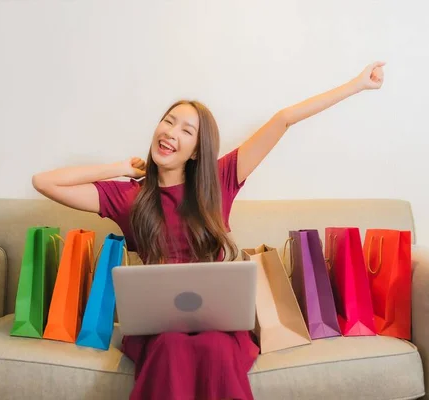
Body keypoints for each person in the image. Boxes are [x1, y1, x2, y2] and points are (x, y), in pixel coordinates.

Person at [32, 61, 385, 400]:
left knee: (215, 347)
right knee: (171, 346)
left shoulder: (218, 181)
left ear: (197, 150)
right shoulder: (130, 197)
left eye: (186, 130)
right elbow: (44, 182)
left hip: (219, 325)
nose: (170, 132)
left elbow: (284, 120)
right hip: (159, 329)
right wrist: (119, 167)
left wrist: (357, 85)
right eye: (168, 122)